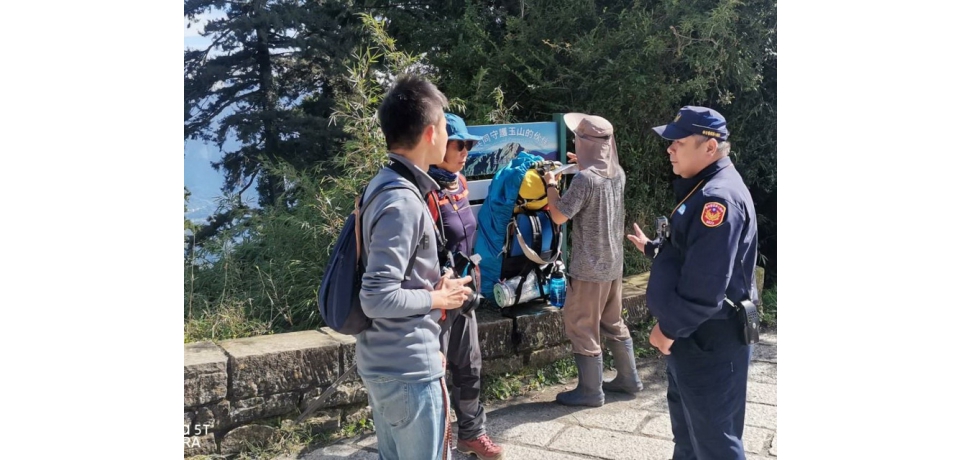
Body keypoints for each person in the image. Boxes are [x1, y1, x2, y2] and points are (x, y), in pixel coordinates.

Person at [626, 106, 759, 460]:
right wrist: (657, 250)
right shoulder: (705, 187)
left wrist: (667, 328)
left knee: (714, 443)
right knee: (689, 437)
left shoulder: (717, 199)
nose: (669, 148)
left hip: (709, 340)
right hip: (697, 337)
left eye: (677, 142)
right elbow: (697, 254)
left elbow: (707, 285)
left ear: (709, 148)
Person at [358, 74, 474, 460]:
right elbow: (376, 296)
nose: (446, 133)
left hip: (387, 363)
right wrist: (438, 295)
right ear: (429, 134)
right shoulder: (403, 201)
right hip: (408, 369)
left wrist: (432, 283)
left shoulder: (383, 184)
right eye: (443, 124)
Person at [542, 113, 642, 408]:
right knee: (613, 322)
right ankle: (629, 378)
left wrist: (551, 185)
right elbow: (596, 174)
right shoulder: (617, 173)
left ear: (585, 142)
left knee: (582, 326)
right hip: (613, 266)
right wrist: (580, 162)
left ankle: (590, 391)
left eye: (579, 137)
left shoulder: (585, 180)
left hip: (588, 269)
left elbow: (559, 214)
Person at [429, 113, 504, 460]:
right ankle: (435, 444)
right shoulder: (424, 188)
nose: (465, 151)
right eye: (459, 144)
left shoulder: (457, 182)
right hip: (438, 299)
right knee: (436, 374)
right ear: (438, 143)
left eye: (469, 145)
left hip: (465, 292)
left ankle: (472, 435)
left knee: (469, 366)